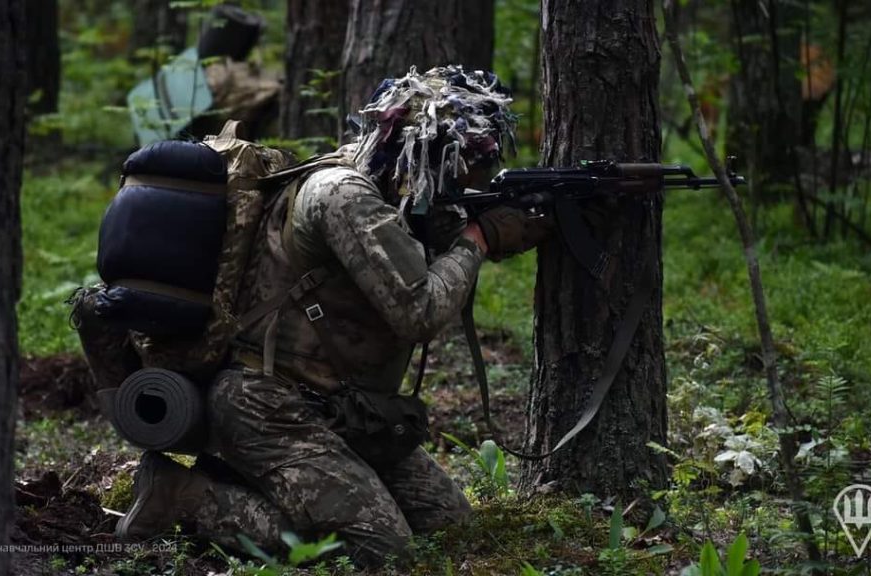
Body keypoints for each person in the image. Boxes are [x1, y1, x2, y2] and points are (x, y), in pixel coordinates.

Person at [112, 65, 546, 567]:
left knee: (450, 528)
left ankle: (278, 489)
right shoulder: (344, 195)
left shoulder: (397, 193)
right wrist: (478, 240)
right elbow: (420, 312)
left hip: (345, 411)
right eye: (459, 165)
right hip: (268, 404)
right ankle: (184, 495)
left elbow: (430, 239)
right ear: (420, 151)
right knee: (382, 549)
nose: (464, 181)